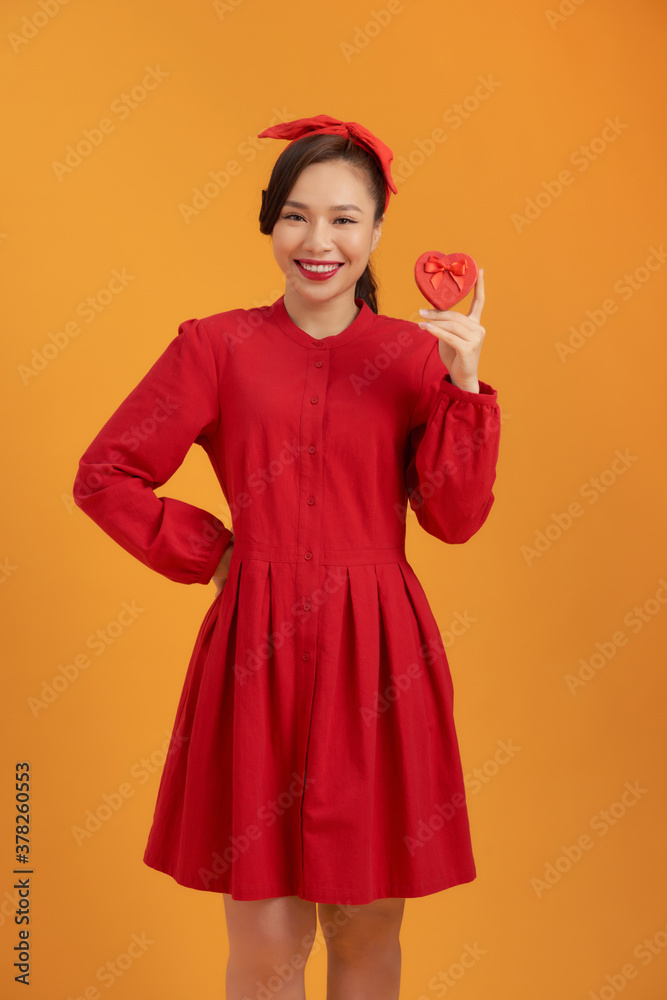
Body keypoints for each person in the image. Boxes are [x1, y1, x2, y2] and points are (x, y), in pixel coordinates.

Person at [72, 113, 501, 999]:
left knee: (369, 935)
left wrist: (464, 389)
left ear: (377, 232)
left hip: (380, 652)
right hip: (255, 650)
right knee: (267, 945)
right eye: (296, 216)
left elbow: (454, 521)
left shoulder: (418, 358)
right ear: (270, 224)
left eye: (345, 219)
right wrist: (217, 553)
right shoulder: (214, 346)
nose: (319, 241)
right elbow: (105, 474)